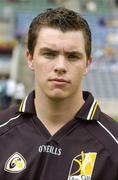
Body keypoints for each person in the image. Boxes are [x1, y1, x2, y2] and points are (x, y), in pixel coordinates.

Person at [0, 7, 118, 180]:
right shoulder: (3, 131)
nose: (60, 66)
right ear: (30, 59)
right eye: (49, 54)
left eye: (72, 56)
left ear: (88, 63)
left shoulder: (113, 145)